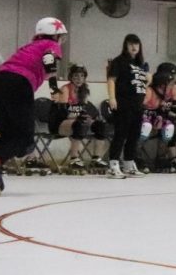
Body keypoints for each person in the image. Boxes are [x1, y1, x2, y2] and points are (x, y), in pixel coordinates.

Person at [0, 17, 66, 194]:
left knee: (8, 136)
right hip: (17, 84)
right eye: (61, 36)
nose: (61, 40)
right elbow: (48, 58)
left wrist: (52, 83)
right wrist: (52, 79)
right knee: (25, 141)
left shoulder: (29, 46)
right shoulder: (51, 44)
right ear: (56, 35)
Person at [106, 34, 149, 178]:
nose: (134, 47)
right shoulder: (119, 61)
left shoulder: (140, 64)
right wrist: (112, 98)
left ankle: (129, 163)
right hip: (123, 103)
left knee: (134, 135)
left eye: (136, 44)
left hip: (137, 105)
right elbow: (111, 80)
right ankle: (113, 165)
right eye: (131, 44)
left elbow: (143, 83)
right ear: (125, 45)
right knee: (121, 134)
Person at [54, 64, 110, 174]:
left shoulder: (83, 91)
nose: (79, 79)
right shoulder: (65, 89)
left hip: (75, 120)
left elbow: (84, 110)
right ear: (71, 77)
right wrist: (81, 116)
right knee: (80, 124)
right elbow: (63, 112)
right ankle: (74, 159)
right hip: (59, 122)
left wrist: (89, 118)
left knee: (101, 125)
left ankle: (96, 158)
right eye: (76, 76)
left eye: (82, 76)